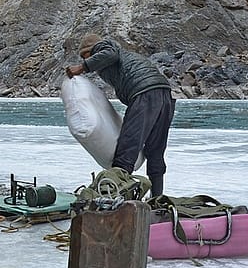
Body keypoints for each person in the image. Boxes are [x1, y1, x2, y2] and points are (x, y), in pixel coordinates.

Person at [65, 34, 175, 197]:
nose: (84, 59)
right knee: (155, 149)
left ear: (90, 50)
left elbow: (110, 54)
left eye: (84, 55)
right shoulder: (124, 55)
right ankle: (157, 198)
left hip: (144, 93)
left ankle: (119, 197)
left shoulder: (105, 48)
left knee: (128, 144)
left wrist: (82, 67)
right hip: (164, 94)